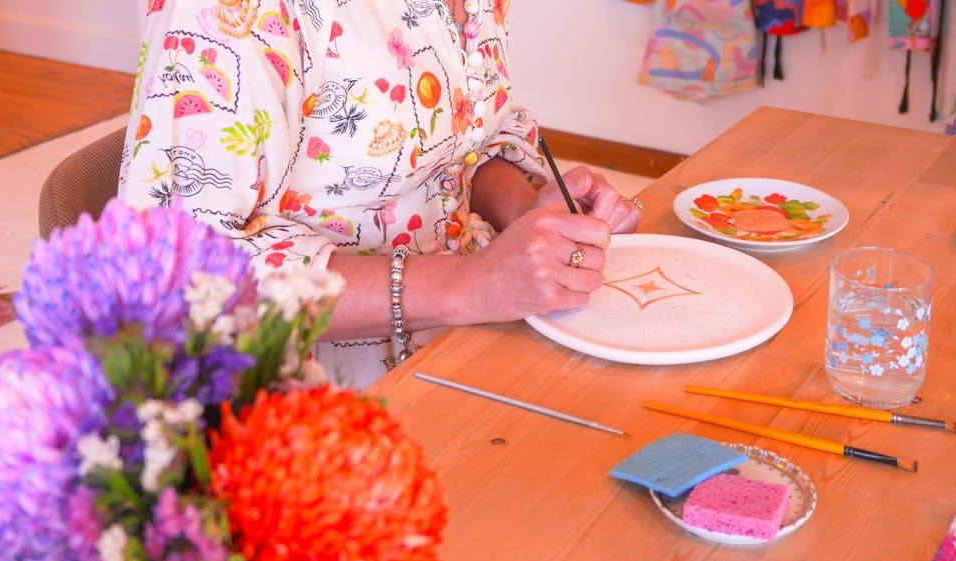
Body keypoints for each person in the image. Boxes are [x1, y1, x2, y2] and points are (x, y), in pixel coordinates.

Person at [119, 0, 643, 388]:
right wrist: (464, 285)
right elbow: (183, 272)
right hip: (308, 401)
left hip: (459, 351)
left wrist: (528, 215)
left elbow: (470, 139)